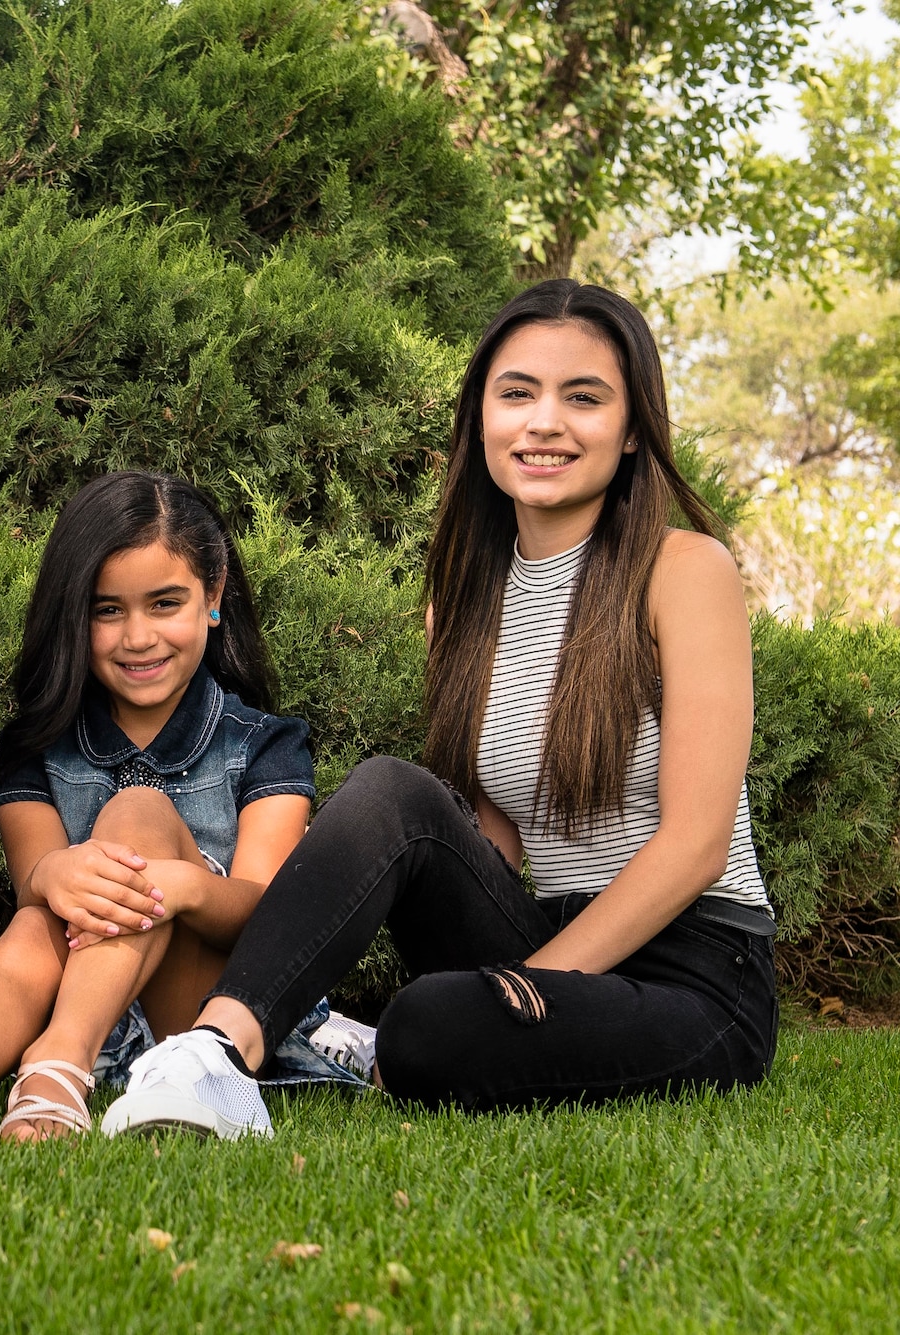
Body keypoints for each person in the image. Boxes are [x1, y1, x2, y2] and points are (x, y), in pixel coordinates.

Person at [102, 280, 778, 1138]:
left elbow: (695, 848)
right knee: (394, 792)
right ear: (482, 419)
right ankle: (215, 1054)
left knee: (427, 1027)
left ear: (634, 426)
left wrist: (526, 987)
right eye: (517, 393)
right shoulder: (463, 601)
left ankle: (355, 1044)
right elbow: (489, 837)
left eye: (584, 397)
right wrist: (515, 977)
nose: (544, 422)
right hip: (552, 933)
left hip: (698, 972)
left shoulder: (685, 570)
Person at [0, 471, 317, 1146]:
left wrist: (186, 887)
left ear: (212, 597)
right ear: (76, 613)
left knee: (138, 812)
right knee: (45, 910)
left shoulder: (265, 744)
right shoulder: (37, 751)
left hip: (201, 1021)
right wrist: (52, 874)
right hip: (73, 966)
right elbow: (34, 881)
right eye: (108, 610)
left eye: (165, 604)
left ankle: (57, 1060)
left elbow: (269, 915)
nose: (137, 637)